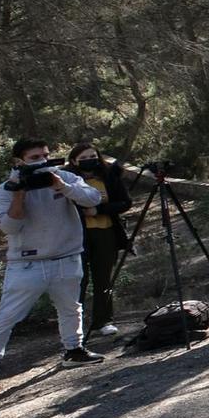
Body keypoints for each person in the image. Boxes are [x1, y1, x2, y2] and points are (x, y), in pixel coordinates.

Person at [0, 140, 107, 398]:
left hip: (66, 257)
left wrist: (61, 186)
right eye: (34, 157)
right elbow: (9, 227)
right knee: (6, 318)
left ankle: (73, 350)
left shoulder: (63, 177)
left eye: (45, 155)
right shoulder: (6, 189)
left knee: (70, 308)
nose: (42, 161)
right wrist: (20, 192)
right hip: (27, 264)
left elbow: (93, 198)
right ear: (19, 161)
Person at [68, 142, 132, 337]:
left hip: (106, 233)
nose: (89, 161)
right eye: (84, 158)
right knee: (78, 280)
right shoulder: (67, 179)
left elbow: (125, 202)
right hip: (77, 236)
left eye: (92, 156)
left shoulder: (110, 176)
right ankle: (72, 327)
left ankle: (103, 321)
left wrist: (99, 210)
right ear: (73, 161)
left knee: (103, 279)